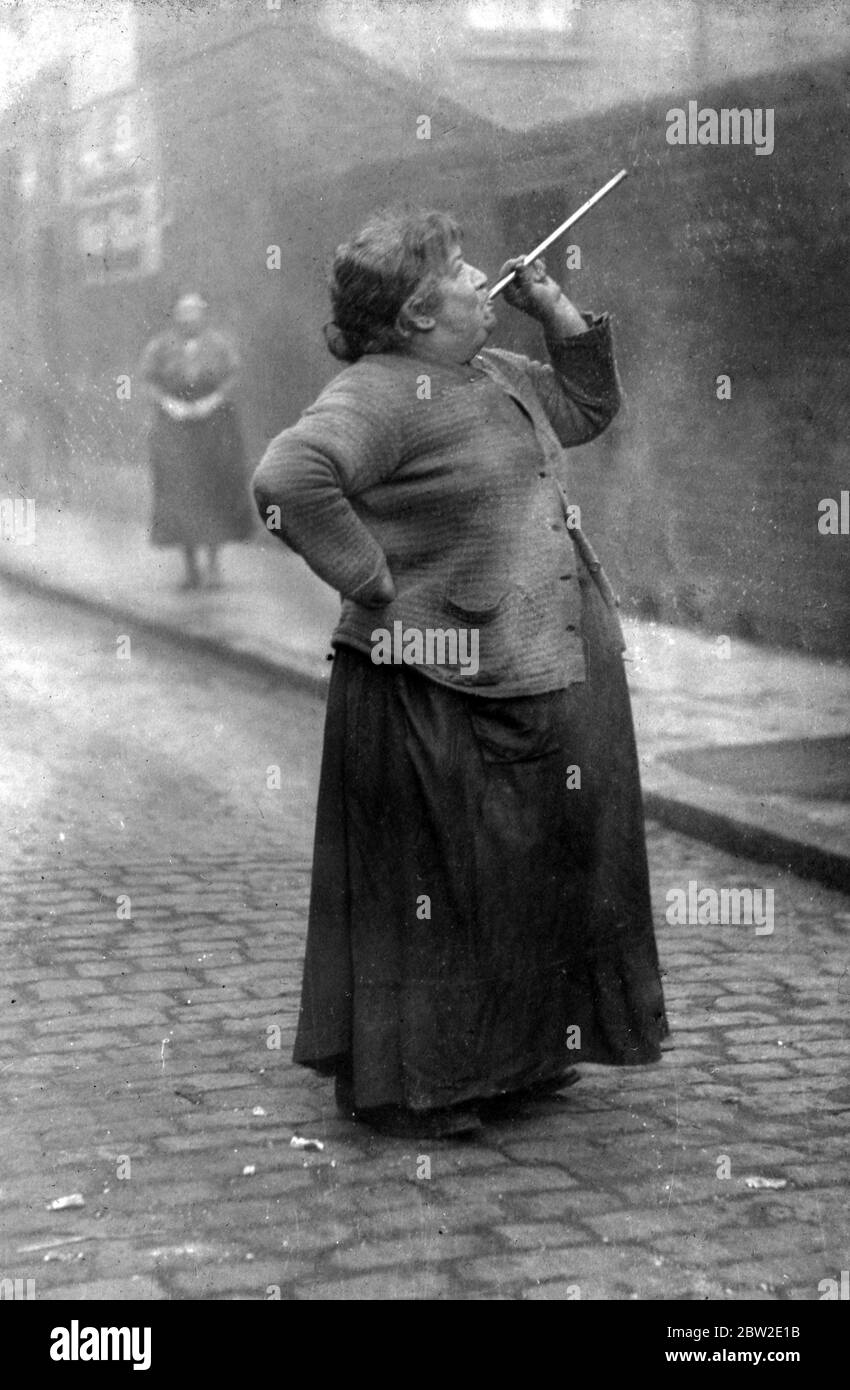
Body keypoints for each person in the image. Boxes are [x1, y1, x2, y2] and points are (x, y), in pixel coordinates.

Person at [252, 209, 668, 1139]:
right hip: (436, 684)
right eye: (460, 273)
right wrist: (372, 580)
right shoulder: (380, 394)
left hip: (531, 659)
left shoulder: (490, 370)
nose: (485, 280)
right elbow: (288, 479)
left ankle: (514, 1060)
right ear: (411, 316)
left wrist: (551, 306)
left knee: (525, 867)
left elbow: (592, 410)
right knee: (448, 877)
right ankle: (424, 1086)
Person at [140, 293, 255, 589]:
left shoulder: (219, 345)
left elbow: (235, 375)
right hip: (175, 426)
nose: (189, 318)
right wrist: (168, 404)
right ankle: (190, 569)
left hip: (213, 425)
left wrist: (214, 400)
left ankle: (214, 566)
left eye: (194, 312)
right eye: (183, 313)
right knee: (181, 493)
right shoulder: (161, 347)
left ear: (203, 315)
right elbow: (147, 380)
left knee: (215, 490)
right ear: (176, 316)